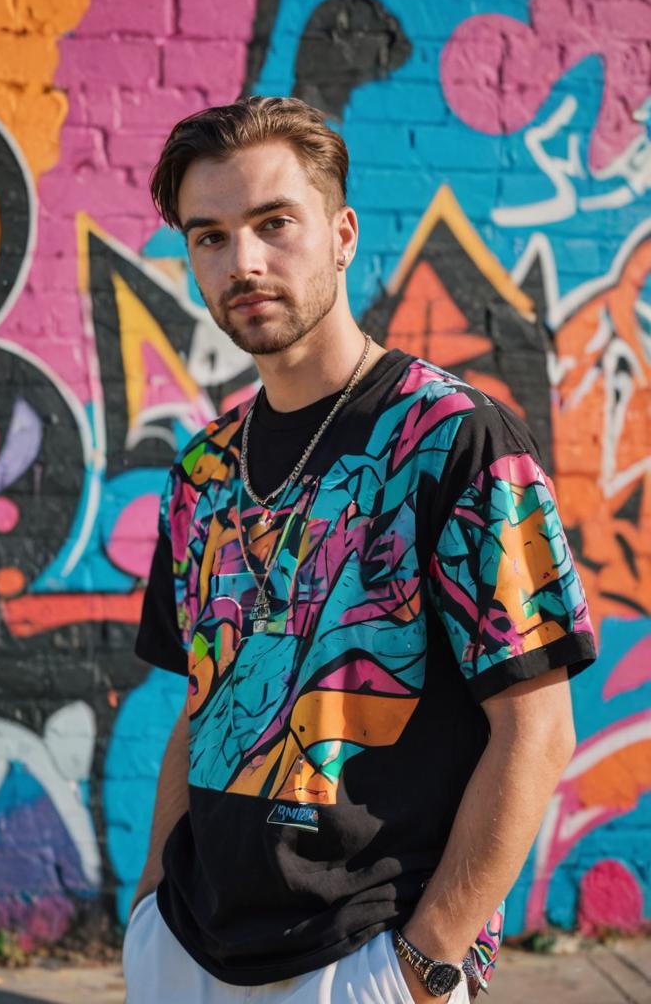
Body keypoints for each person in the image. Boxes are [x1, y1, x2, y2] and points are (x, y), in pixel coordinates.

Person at [124, 96, 596, 1004]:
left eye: (273, 223)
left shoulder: (456, 440)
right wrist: (150, 904)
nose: (244, 262)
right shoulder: (203, 467)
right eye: (210, 236)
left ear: (341, 235)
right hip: (186, 948)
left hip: (363, 958)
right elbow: (203, 701)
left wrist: (425, 960)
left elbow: (537, 730)